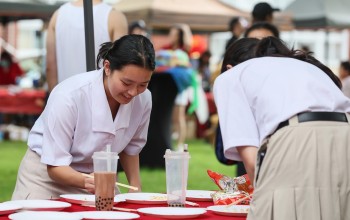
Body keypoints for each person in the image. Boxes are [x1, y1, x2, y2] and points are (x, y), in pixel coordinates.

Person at [214, 36, 350, 220]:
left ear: (228, 67)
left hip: (296, 138)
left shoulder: (230, 77)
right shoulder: (302, 65)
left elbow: (253, 163)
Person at [12, 35, 155, 200]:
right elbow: (55, 165)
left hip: (99, 177)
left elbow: (131, 148)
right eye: (126, 83)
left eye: (143, 85)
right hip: (45, 177)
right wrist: (89, 180)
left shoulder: (144, 100)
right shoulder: (68, 96)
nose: (133, 92)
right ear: (107, 67)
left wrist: (135, 187)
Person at [46, 0, 128, 92]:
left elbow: (50, 67)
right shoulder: (115, 17)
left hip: (65, 96)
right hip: (100, 97)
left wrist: (54, 98)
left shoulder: (57, 16)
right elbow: (121, 65)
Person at [162, 24, 193, 149]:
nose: (171, 36)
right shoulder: (168, 49)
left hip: (180, 88)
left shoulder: (183, 51)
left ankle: (180, 144)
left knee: (179, 116)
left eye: (173, 34)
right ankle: (174, 143)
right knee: (173, 117)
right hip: (170, 86)